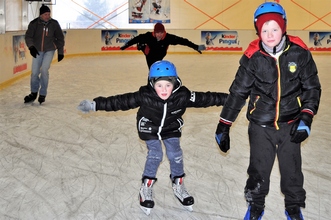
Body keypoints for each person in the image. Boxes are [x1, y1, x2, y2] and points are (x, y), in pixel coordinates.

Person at [77, 60, 228, 215]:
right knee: (156, 154)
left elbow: (207, 98)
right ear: (152, 84)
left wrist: (229, 99)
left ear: (175, 84)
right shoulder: (144, 95)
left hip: (170, 126)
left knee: (176, 154)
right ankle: (146, 187)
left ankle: (178, 184)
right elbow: (120, 101)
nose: (164, 90)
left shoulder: (183, 96)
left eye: (168, 85)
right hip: (149, 125)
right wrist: (95, 105)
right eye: (159, 85)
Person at [214, 2, 321, 220]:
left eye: (274, 28)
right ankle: (255, 207)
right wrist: (224, 124)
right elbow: (238, 92)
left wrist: (306, 116)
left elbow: (312, 87)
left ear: (283, 27)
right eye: (264, 30)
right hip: (260, 126)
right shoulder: (253, 57)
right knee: (258, 170)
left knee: (292, 172)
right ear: (257, 31)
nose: (270, 34)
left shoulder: (299, 53)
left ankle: (293, 207)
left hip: (291, 125)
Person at [24, 4, 65, 104]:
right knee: (34, 73)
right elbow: (28, 37)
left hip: (49, 50)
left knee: (44, 70)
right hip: (37, 50)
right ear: (41, 15)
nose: (47, 16)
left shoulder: (54, 24)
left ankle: (42, 93)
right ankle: (33, 93)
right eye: (45, 14)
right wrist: (31, 47)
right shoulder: (34, 24)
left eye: (48, 14)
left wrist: (59, 51)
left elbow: (60, 38)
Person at [120, 23, 206, 69]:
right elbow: (136, 39)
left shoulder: (168, 38)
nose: (159, 35)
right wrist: (126, 45)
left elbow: (183, 41)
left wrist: (196, 46)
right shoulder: (148, 36)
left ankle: (141, 46)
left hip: (160, 54)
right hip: (150, 54)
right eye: (157, 33)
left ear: (164, 32)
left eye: (161, 32)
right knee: (152, 69)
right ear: (154, 32)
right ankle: (141, 46)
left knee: (156, 62)